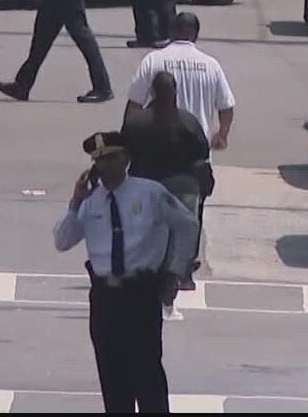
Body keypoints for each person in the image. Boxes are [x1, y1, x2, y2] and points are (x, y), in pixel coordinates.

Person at [54, 131, 199, 413]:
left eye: (111, 157)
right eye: (99, 160)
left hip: (140, 293)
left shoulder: (149, 192)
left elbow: (187, 225)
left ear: (126, 159)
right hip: (105, 296)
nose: (105, 165)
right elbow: (63, 241)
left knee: (147, 374)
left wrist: (173, 271)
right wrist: (75, 202)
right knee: (111, 374)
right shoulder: (91, 201)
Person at [120, 71, 210, 321]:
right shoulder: (188, 121)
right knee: (179, 243)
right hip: (183, 188)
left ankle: (143, 292)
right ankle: (172, 285)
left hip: (144, 187)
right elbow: (201, 156)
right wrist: (206, 184)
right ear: (176, 93)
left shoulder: (136, 121)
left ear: (152, 93)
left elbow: (122, 152)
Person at [123, 13, 234, 147]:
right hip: (197, 149)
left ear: (172, 32)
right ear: (196, 35)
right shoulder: (211, 65)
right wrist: (222, 135)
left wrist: (127, 140)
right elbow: (226, 107)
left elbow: (135, 103)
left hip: (159, 147)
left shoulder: (153, 60)